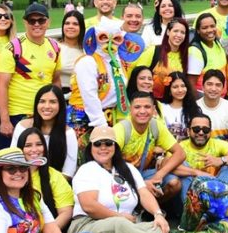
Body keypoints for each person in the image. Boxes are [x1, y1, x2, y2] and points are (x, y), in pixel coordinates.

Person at [67, 125, 196, 233]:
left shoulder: (127, 168)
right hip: (88, 227)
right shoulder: (87, 169)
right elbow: (89, 206)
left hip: (124, 227)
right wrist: (118, 217)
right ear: (91, 148)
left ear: (115, 147)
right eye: (98, 144)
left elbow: (144, 193)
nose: (103, 147)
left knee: (155, 227)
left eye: (108, 143)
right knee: (121, 225)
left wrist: (158, 214)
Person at [0, 3, 61, 157]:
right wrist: (4, 120)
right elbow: (1, 86)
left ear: (48, 22)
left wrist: (59, 111)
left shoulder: (54, 47)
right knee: (16, 160)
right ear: (25, 23)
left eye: (41, 20)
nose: (36, 24)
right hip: (18, 115)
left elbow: (56, 81)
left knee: (43, 159)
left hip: (45, 114)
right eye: (32, 21)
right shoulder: (13, 49)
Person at [68, 18, 145, 152]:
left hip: (110, 117)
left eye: (116, 39)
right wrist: (101, 125)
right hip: (84, 118)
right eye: (104, 38)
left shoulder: (118, 61)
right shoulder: (88, 62)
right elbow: (89, 96)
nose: (110, 43)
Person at [114, 91, 186, 204]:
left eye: (147, 107)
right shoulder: (121, 129)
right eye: (137, 107)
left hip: (143, 172)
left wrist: (159, 175)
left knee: (174, 184)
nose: (142, 111)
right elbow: (109, 165)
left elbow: (180, 153)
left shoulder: (155, 125)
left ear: (153, 109)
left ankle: (148, 211)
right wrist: (140, 184)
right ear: (130, 109)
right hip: (120, 176)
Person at [11, 85, 78, 178]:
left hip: (54, 184)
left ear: (61, 105)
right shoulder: (22, 127)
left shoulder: (68, 133)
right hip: (22, 181)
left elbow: (68, 172)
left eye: (52, 102)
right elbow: (13, 159)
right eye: (42, 101)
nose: (47, 106)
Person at [173, 114, 228, 198]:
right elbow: (166, 164)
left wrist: (221, 160)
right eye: (196, 129)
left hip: (215, 188)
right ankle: (191, 209)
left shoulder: (217, 144)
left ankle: (218, 200)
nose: (201, 132)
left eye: (205, 129)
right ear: (188, 131)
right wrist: (197, 173)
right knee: (181, 166)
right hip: (190, 193)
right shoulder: (180, 147)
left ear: (210, 132)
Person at [17, 128, 75, 230]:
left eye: (39, 144)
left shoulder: (54, 175)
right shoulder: (11, 176)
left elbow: (66, 212)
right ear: (20, 149)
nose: (34, 150)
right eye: (28, 145)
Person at [137, 17, 190, 99]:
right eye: (175, 31)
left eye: (182, 32)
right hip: (151, 102)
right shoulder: (154, 51)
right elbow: (137, 74)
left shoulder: (186, 56)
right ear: (168, 32)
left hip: (173, 103)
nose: (179, 35)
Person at [196, 69, 228, 145]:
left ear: (223, 88)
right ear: (202, 87)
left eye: (218, 85)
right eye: (209, 84)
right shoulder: (194, 107)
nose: (213, 89)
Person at [187, 12, 227, 94]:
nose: (210, 30)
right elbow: (191, 85)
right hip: (205, 102)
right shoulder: (195, 51)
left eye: (212, 26)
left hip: (220, 99)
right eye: (205, 28)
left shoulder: (217, 43)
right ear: (198, 30)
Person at [158, 71, 201, 141]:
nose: (180, 90)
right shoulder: (161, 108)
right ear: (169, 90)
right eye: (175, 87)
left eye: (183, 86)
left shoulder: (195, 108)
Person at [57, 10, 85, 94]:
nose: (70, 26)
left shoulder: (86, 51)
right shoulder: (55, 47)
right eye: (67, 23)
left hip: (81, 96)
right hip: (59, 94)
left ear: (81, 27)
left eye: (75, 24)